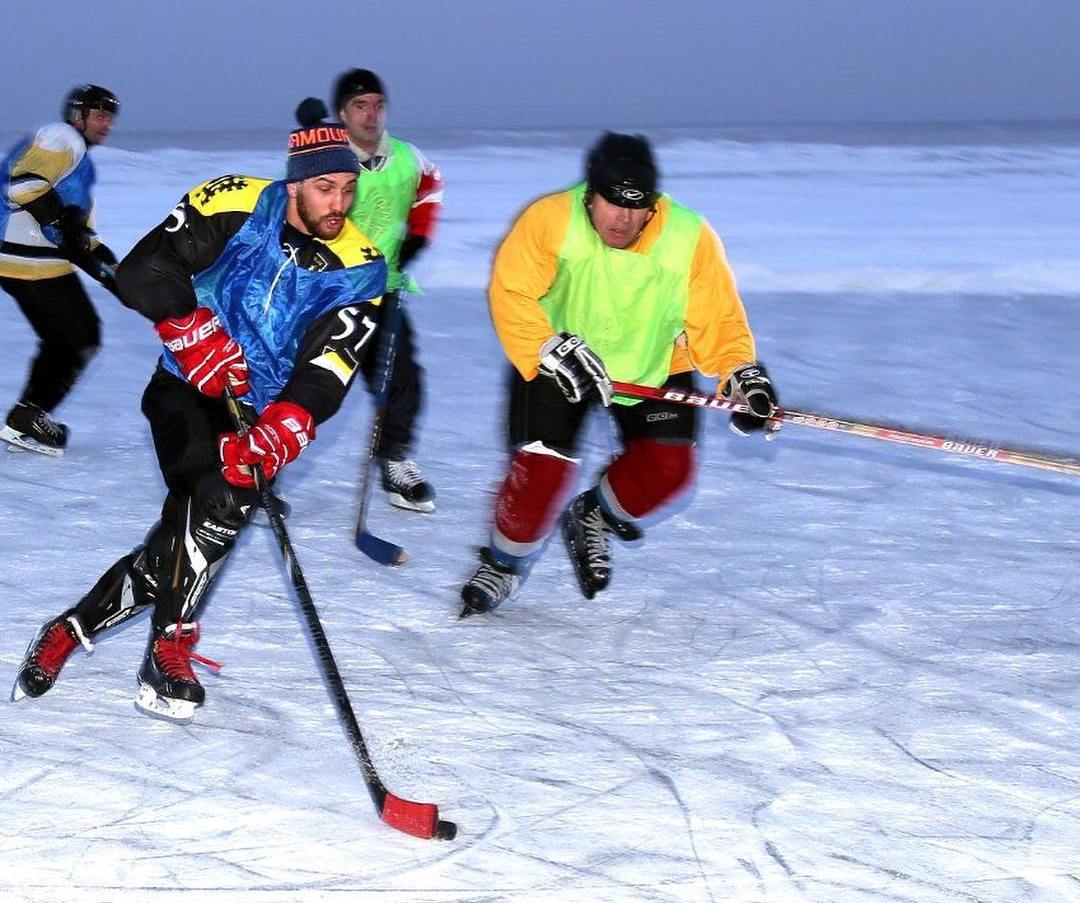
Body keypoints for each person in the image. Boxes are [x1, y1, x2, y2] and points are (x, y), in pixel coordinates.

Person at [12, 124, 387, 722]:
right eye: (324, 188)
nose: (338, 204)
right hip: (184, 388)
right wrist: (188, 326)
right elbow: (144, 270)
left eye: (346, 189)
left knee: (182, 540)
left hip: (259, 414)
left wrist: (290, 421)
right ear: (294, 184)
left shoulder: (360, 267)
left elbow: (330, 364)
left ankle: (70, 628)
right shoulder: (232, 201)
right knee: (218, 498)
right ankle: (168, 651)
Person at [459, 132, 780, 616]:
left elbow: (719, 320)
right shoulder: (550, 219)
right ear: (590, 193)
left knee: (670, 472)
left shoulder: (690, 237)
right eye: (612, 202)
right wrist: (545, 347)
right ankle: (502, 563)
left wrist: (741, 375)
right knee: (540, 474)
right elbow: (513, 291)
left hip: (651, 362)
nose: (622, 218)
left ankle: (594, 514)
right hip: (558, 361)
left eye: (638, 206)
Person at [330, 68, 443, 512]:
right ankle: (263, 469)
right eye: (360, 105)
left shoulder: (407, 157)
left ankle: (394, 460)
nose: (371, 113)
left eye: (378, 104)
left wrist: (418, 236)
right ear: (343, 112)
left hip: (387, 289)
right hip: (329, 292)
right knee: (311, 385)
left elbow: (429, 191)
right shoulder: (326, 156)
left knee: (403, 380)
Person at [0, 84, 120, 455]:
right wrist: (62, 219)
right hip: (27, 263)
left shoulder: (77, 156)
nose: (106, 125)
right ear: (77, 115)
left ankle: (27, 417)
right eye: (99, 116)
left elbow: (74, 234)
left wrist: (115, 270)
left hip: (36, 262)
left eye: (110, 119)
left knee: (71, 338)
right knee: (79, 338)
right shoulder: (63, 137)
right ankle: (27, 419)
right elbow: (20, 185)